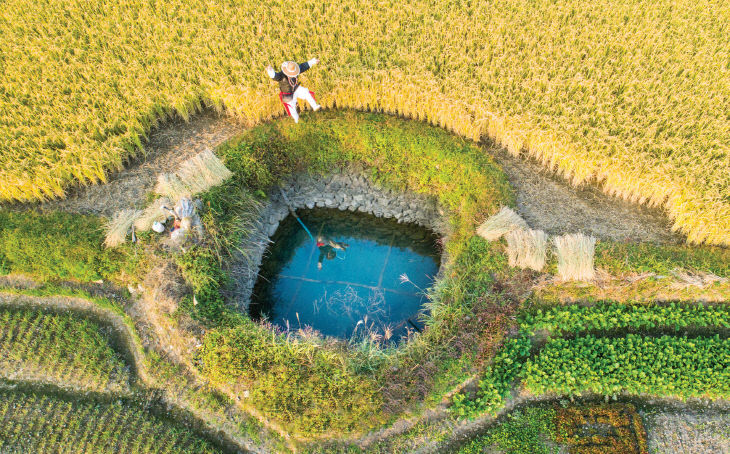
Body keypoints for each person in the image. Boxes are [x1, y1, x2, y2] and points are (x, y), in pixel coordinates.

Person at [266, 58, 321, 123]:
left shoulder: (295, 70)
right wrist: (270, 70)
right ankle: (296, 119)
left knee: (306, 92)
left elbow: (303, 66)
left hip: (295, 89)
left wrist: (313, 61)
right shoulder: (281, 75)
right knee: (292, 109)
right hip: (287, 94)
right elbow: (275, 76)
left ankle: (315, 106)